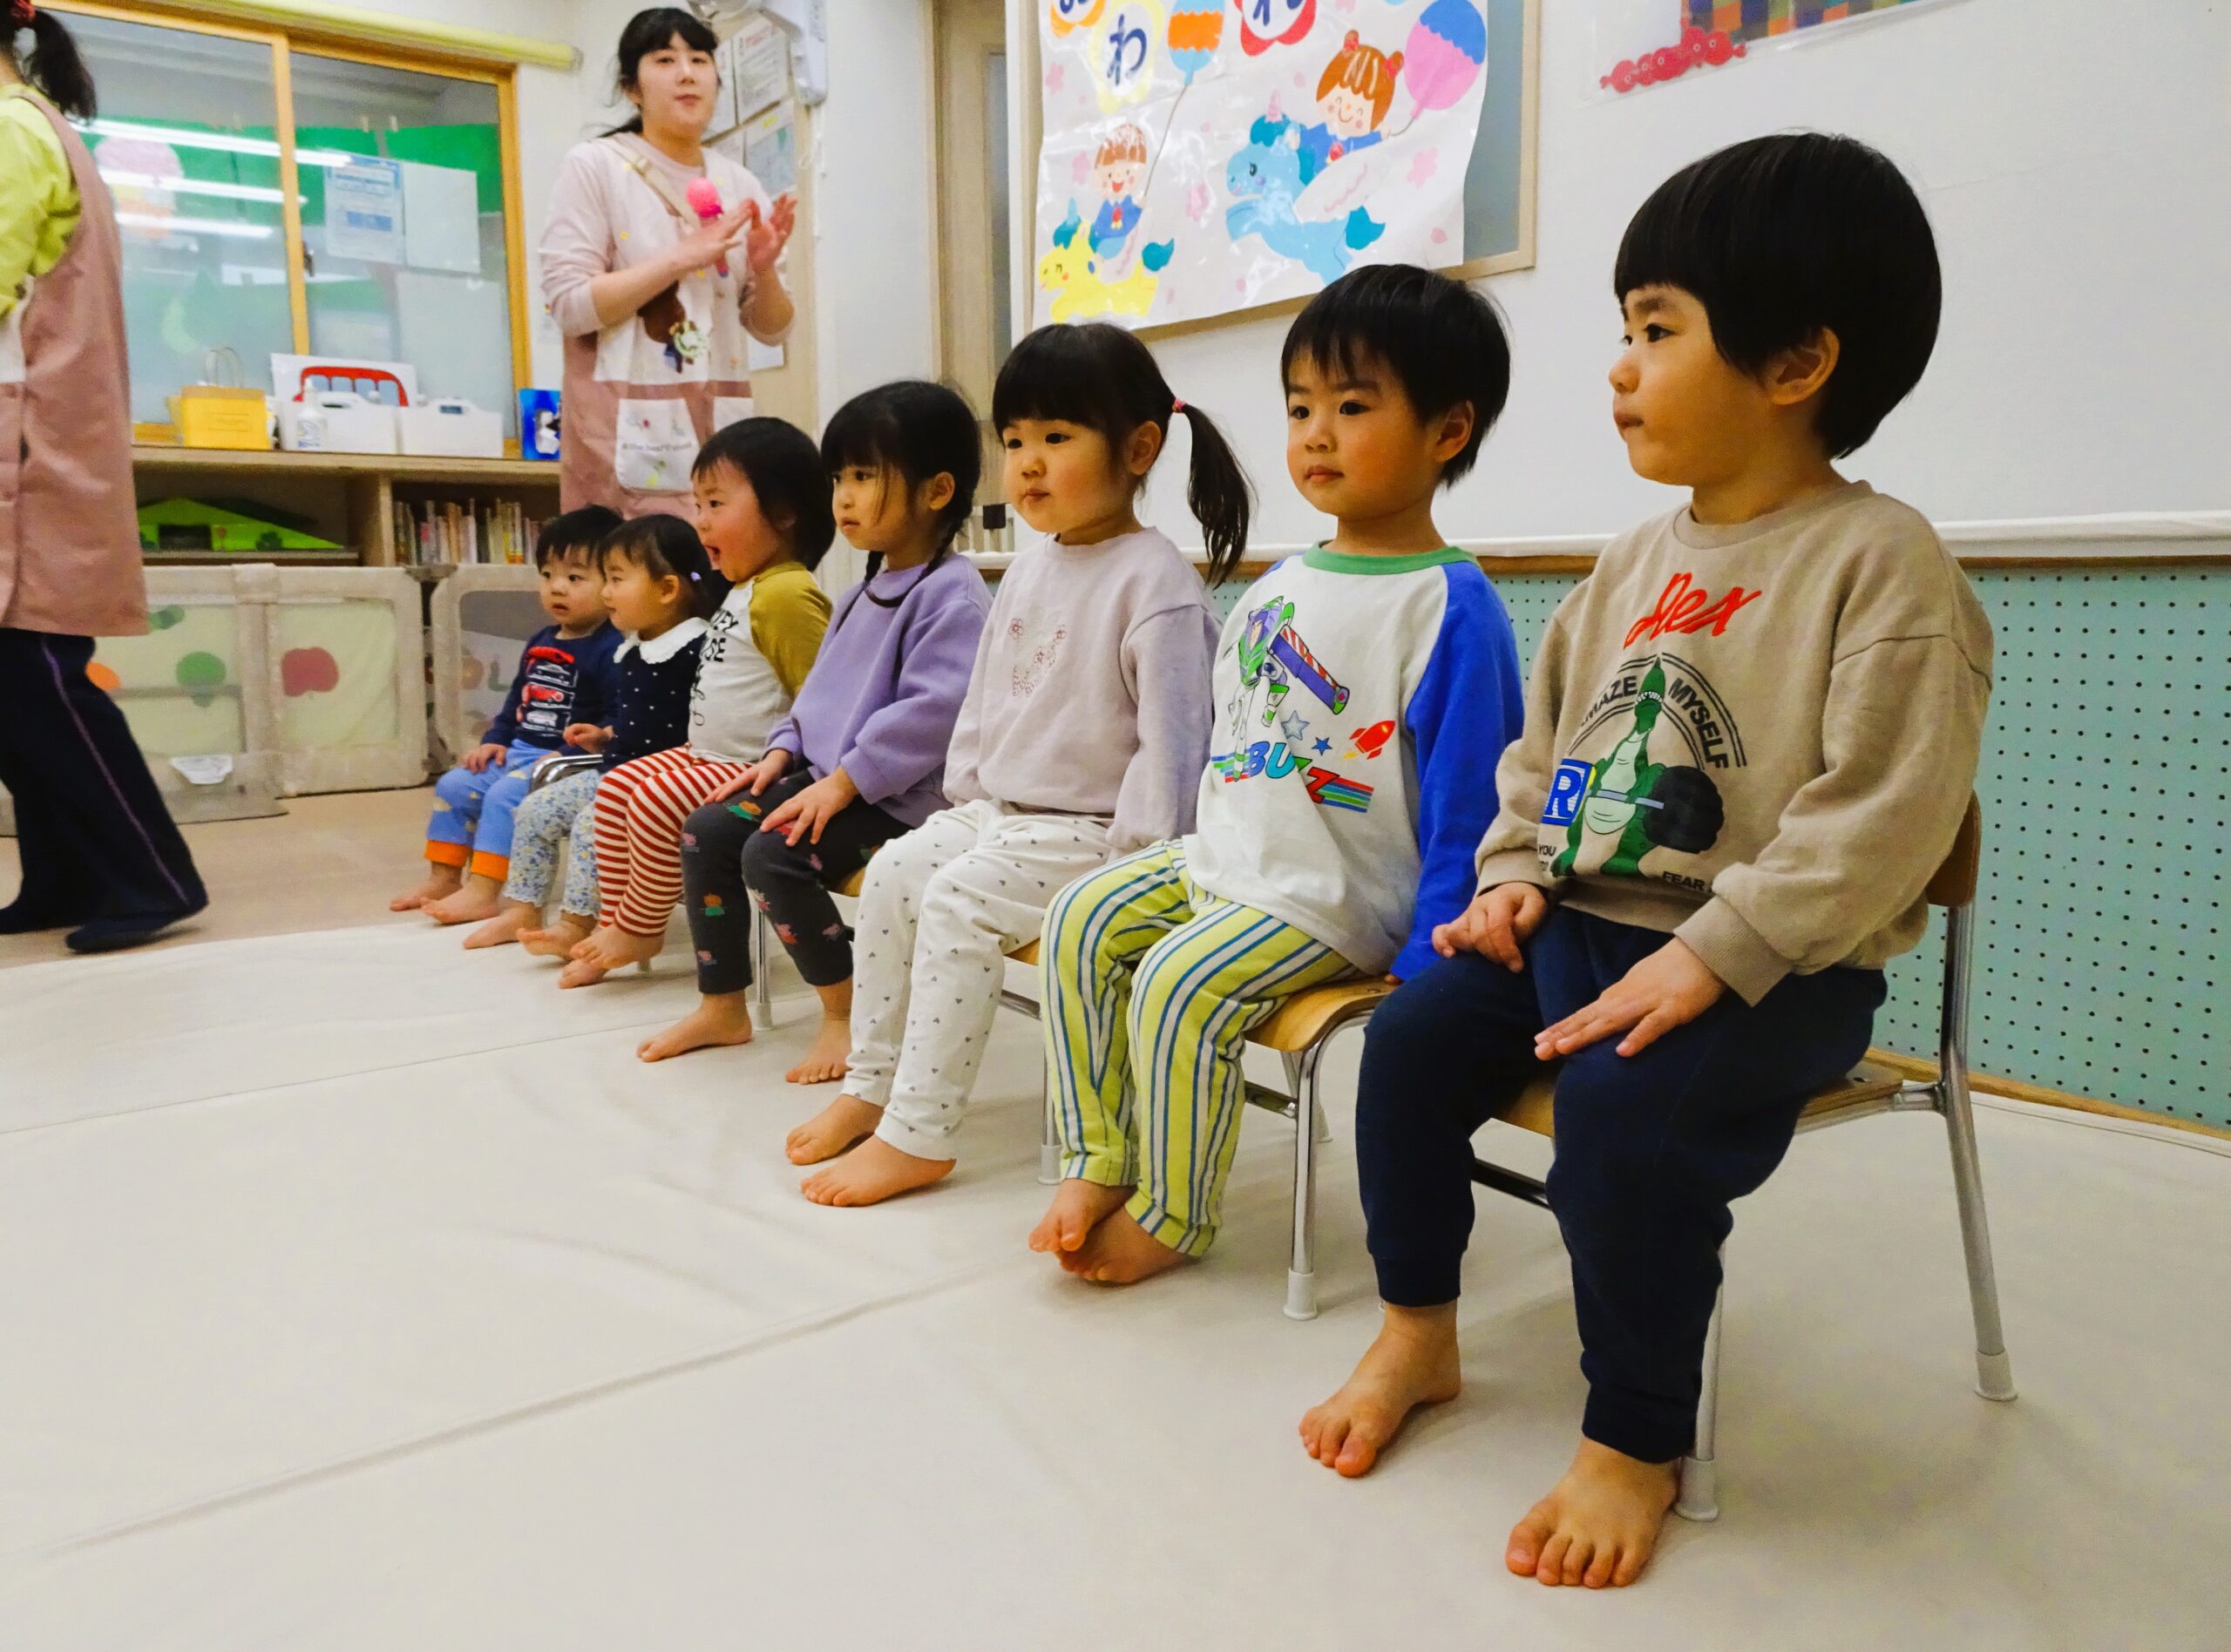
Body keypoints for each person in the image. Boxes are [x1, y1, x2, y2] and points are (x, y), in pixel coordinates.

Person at [1299, 134, 1993, 1592]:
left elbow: (1885, 818)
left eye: (1657, 330)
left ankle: (1634, 1436)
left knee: (1622, 1118)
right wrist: (1512, 875)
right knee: (1410, 1043)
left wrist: (1714, 956)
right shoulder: (1627, 563)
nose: (1619, 368)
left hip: (1776, 966)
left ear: (1796, 362)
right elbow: (1539, 758)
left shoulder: (1883, 562)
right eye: (1625, 330)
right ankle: (1418, 1328)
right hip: (1585, 928)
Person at [1030, 265, 1525, 1285]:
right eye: (1301, 408)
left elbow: (1472, 803)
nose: (1315, 435)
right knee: (1078, 919)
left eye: (1352, 407)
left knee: (1177, 985)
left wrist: (1430, 956)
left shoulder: (1451, 605)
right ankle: (1099, 1157)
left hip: (1332, 896)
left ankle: (1173, 1213)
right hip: (1229, 861)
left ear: (1447, 431)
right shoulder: (1282, 582)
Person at [785, 322, 1246, 1209]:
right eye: (1014, 441)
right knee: (895, 873)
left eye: (1056, 438)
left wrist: (1138, 862)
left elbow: (1176, 745)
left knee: (956, 903)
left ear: (1139, 449)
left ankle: (918, 1134)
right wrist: (965, 801)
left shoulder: (1154, 582)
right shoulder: (1030, 569)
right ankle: (871, 1085)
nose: (1027, 463)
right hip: (1003, 812)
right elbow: (983, 702)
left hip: (1097, 834)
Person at [641, 382, 991, 1073]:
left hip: (898, 801)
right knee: (709, 830)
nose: (844, 497)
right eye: (839, 479)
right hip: (832, 782)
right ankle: (722, 1004)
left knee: (774, 855)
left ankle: (844, 1012)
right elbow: (814, 698)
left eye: (864, 476)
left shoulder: (953, 595)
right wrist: (782, 751)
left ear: (937, 491)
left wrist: (844, 781)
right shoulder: (859, 593)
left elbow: (934, 714)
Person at [0, 5, 207, 954]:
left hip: (28, 442)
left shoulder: (14, 131)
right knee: (17, 676)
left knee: (34, 671)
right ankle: (67, 874)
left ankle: (151, 875)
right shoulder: (35, 125)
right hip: (37, 433)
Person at [565, 418, 831, 986]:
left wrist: (796, 765)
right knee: (614, 789)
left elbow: (823, 696)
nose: (701, 520)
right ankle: (615, 922)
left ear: (784, 513)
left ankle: (640, 926)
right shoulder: (743, 588)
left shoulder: (786, 591)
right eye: (698, 505)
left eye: (715, 503)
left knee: (654, 799)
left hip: (749, 763)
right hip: (707, 754)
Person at [540, 7, 797, 519]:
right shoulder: (596, 166)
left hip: (719, 434)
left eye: (699, 60)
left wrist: (765, 268)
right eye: (664, 59)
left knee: (717, 563)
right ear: (631, 88)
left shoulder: (740, 183)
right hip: (621, 436)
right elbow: (569, 306)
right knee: (634, 565)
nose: (686, 73)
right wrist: (681, 257)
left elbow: (773, 331)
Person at [492, 515, 722, 958]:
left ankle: (576, 923)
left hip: (659, 785)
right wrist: (605, 735)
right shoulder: (634, 644)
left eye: (616, 580)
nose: (606, 592)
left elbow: (702, 722)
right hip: (614, 768)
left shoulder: (696, 647)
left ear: (667, 590)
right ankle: (523, 908)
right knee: (535, 810)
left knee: (589, 826)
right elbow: (641, 716)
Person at [393, 507, 622, 925]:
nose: (557, 587)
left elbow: (614, 722)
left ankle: (484, 890)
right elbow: (517, 698)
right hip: (519, 751)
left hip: (565, 763)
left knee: (503, 798)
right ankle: (444, 877)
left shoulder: (612, 649)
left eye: (575, 578)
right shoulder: (541, 639)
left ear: (612, 583)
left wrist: (567, 754)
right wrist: (495, 740)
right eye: (548, 574)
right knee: (455, 785)